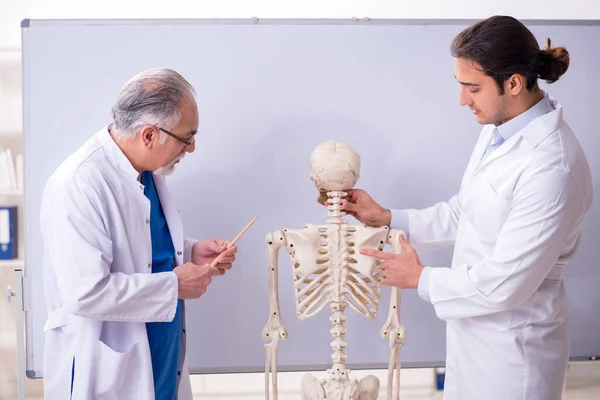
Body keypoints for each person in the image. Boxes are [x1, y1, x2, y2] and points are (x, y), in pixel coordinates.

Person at [343, 16, 594, 400]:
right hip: (474, 342)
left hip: (516, 355)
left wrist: (421, 279)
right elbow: (467, 213)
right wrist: (390, 218)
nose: (462, 100)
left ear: (512, 83)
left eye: (472, 88)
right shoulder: (499, 131)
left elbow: (506, 281)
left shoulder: (553, 167)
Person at [40, 68, 238, 400]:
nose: (190, 148)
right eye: (186, 137)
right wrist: (175, 285)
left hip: (161, 359)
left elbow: (138, 246)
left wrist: (189, 252)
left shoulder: (146, 173)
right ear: (149, 135)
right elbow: (85, 292)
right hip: (108, 373)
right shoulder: (79, 183)